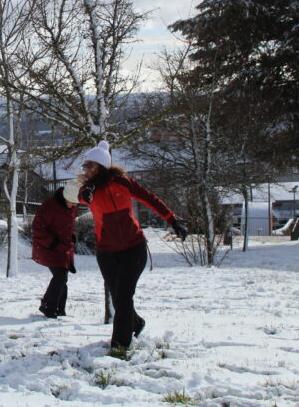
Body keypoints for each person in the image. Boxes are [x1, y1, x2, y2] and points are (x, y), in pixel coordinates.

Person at [77, 141, 186, 351]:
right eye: (84, 165)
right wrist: (87, 193)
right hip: (106, 252)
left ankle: (120, 346)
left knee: (124, 297)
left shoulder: (123, 183)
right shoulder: (88, 189)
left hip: (133, 248)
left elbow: (150, 199)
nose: (86, 169)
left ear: (101, 165)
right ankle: (135, 323)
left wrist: (173, 220)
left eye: (89, 165)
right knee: (118, 297)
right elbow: (82, 196)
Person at [31, 180, 81, 318]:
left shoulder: (71, 205)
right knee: (60, 276)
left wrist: (71, 238)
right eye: (72, 201)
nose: (74, 205)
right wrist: (53, 243)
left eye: (76, 202)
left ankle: (59, 310)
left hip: (63, 248)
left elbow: (68, 224)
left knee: (62, 278)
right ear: (66, 196)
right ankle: (48, 306)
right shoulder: (50, 206)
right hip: (48, 247)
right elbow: (37, 228)